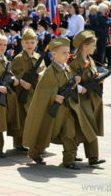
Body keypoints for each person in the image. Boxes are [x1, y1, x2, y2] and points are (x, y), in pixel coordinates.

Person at [22, 37, 85, 170]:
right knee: (46, 132)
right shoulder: (50, 71)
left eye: (68, 53)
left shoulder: (67, 69)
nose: (67, 55)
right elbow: (42, 90)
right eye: (64, 53)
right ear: (54, 54)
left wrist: (74, 82)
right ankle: (35, 152)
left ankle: (69, 160)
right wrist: (54, 96)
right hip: (54, 109)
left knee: (70, 133)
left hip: (66, 108)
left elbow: (67, 85)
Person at [69, 30, 106, 166]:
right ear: (84, 46)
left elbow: (92, 76)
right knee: (86, 125)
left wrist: (98, 79)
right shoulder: (74, 62)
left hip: (91, 98)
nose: (95, 48)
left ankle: (90, 156)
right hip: (79, 99)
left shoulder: (90, 60)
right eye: (93, 45)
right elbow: (69, 80)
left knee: (86, 126)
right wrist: (80, 88)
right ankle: (88, 156)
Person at [11, 28, 45, 151]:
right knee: (21, 117)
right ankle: (18, 142)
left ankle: (34, 142)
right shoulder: (18, 58)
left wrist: (41, 75)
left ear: (36, 42)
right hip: (22, 92)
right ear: (22, 43)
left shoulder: (38, 57)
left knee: (35, 118)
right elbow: (14, 73)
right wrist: (20, 81)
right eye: (26, 42)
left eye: (32, 42)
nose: (29, 45)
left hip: (35, 92)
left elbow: (44, 72)